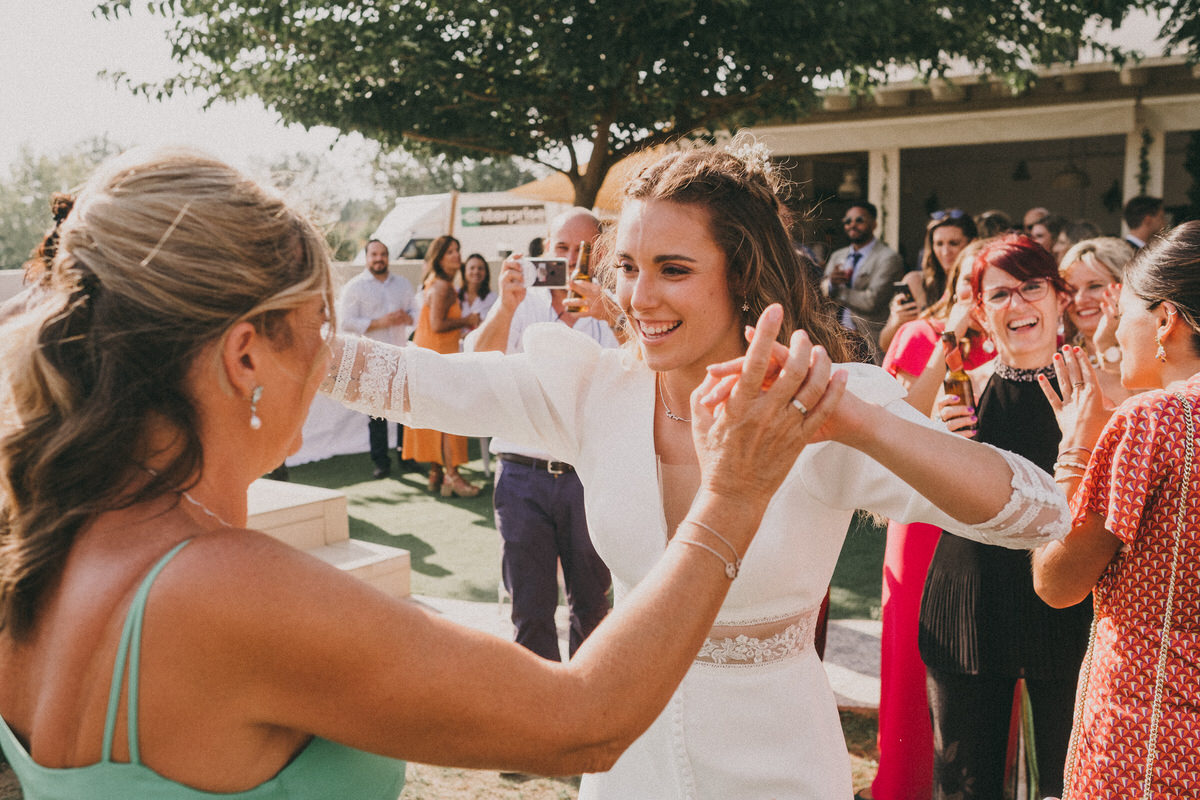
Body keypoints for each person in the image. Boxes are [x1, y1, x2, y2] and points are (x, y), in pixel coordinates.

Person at [0, 147, 840, 799]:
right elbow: (585, 721)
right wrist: (731, 495)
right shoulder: (231, 588)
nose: (331, 359)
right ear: (246, 354)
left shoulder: (37, 547)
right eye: (320, 326)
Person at [335, 146, 1073, 798]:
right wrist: (291, 335)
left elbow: (1040, 514)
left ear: (742, 276)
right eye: (629, 267)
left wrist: (858, 421)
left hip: (780, 764)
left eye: (673, 269)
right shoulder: (591, 389)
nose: (639, 297)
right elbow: (416, 382)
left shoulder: (823, 403)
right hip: (629, 757)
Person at [1032, 221, 1200, 799]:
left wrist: (1075, 454)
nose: (1119, 330)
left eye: (1124, 312)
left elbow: (1057, 582)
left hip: (1148, 733)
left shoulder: (1155, 421)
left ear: (1166, 320)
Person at [927, 235, 1093, 799]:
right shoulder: (959, 396)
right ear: (979, 311)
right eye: (1000, 294)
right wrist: (940, 446)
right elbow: (927, 498)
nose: (1018, 304)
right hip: (973, 601)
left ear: (1059, 297)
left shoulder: (1098, 391)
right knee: (966, 783)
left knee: (1073, 780)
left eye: (1032, 287)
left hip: (1068, 603)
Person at [871, 239, 995, 800]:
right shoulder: (919, 334)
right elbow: (901, 421)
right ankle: (902, 783)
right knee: (910, 654)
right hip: (922, 516)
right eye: (971, 281)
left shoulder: (1015, 341)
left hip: (987, 516)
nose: (980, 294)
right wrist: (951, 339)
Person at [465, 208, 617, 662]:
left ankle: (592, 701)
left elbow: (642, 372)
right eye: (561, 248)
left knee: (593, 608)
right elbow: (477, 362)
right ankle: (539, 702)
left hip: (587, 477)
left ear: (601, 255)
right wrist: (505, 304)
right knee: (529, 610)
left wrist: (613, 312)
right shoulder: (520, 302)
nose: (570, 259)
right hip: (521, 475)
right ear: (544, 250)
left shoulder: (611, 308)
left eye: (583, 250)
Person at [401, 234, 482, 497]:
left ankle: (436, 473)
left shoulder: (433, 282)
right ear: (439, 257)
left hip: (430, 352)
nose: (457, 255)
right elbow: (437, 324)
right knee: (448, 416)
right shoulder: (443, 287)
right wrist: (467, 320)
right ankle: (453, 476)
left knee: (436, 414)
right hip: (437, 356)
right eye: (450, 252)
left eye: (458, 250)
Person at [335, 238, 420, 479]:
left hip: (401, 354)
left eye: (383, 254)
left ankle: (407, 456)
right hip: (372, 358)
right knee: (377, 413)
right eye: (374, 254)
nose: (379, 258)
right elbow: (346, 322)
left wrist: (407, 317)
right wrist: (379, 323)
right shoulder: (355, 287)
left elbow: (416, 312)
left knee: (406, 409)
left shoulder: (402, 284)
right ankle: (381, 461)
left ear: (388, 257)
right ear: (366, 258)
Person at [878, 211, 978, 353]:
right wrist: (897, 322)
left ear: (972, 243)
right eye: (939, 244)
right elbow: (885, 345)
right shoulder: (916, 282)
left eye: (954, 243)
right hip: (920, 362)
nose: (945, 251)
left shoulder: (979, 283)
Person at [822, 200, 906, 362]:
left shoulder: (888, 258)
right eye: (848, 221)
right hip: (835, 337)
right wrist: (831, 283)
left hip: (870, 341)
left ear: (874, 224)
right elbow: (820, 291)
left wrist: (837, 290)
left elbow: (871, 301)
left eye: (859, 220)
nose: (852, 225)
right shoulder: (837, 256)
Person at [1058, 237, 1137, 403]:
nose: (1080, 299)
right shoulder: (1061, 361)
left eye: (1094, 286)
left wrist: (1107, 345)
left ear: (1125, 286)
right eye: (1072, 290)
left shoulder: (1158, 349)